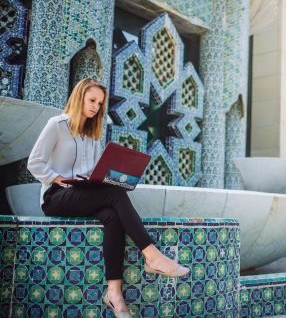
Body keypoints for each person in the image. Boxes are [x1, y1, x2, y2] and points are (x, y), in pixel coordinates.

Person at [27, 78, 189, 317]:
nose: (95, 106)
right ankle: (152, 255)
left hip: (83, 194)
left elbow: (92, 171)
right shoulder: (57, 125)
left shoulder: (93, 135)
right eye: (92, 100)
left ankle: (114, 293)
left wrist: (105, 177)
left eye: (100, 103)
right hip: (56, 195)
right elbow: (34, 163)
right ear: (79, 97)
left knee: (112, 215)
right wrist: (56, 178)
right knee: (115, 193)